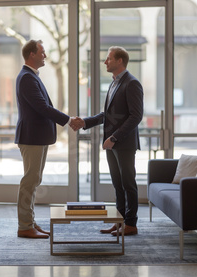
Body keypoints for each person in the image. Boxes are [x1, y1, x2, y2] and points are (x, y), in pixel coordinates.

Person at [15, 39, 82, 238]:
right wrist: (69, 120)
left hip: (37, 137)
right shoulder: (27, 78)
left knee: (34, 180)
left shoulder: (31, 76)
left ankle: (30, 222)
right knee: (30, 180)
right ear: (32, 54)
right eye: (42, 52)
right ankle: (24, 226)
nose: (45, 55)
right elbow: (42, 108)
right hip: (31, 137)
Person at [74, 46, 143, 236]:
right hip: (111, 144)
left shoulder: (132, 83)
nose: (105, 62)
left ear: (120, 61)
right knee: (117, 185)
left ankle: (131, 224)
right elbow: (107, 115)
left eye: (109, 59)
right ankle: (119, 222)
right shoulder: (114, 83)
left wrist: (114, 137)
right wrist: (85, 122)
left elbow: (136, 116)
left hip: (124, 144)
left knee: (128, 184)